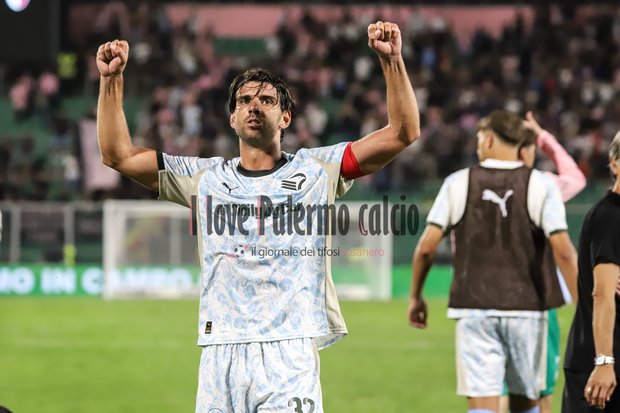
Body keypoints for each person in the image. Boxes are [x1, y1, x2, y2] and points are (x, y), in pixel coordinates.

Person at [96, 21, 420, 413]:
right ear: (232, 118)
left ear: (285, 118)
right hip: (220, 350)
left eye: (266, 100)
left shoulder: (318, 170)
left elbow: (402, 132)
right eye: (244, 100)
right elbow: (117, 154)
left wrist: (392, 61)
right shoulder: (204, 178)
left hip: (289, 351)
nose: (253, 105)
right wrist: (111, 80)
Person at [408, 110, 578, 413]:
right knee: (526, 403)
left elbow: (425, 248)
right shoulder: (541, 184)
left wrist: (416, 296)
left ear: (487, 139)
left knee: (483, 403)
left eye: (478, 140)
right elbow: (564, 251)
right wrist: (583, 307)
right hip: (528, 309)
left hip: (474, 308)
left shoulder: (458, 182)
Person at [497, 111, 586, 413]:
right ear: (526, 150)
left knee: (499, 390)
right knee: (539, 391)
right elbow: (576, 179)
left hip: (489, 298)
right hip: (535, 298)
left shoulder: (477, 183)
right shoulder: (544, 185)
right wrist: (544, 137)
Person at [562, 132, 620, 412]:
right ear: (615, 163)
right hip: (602, 368)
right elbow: (603, 294)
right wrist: (604, 361)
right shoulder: (610, 217)